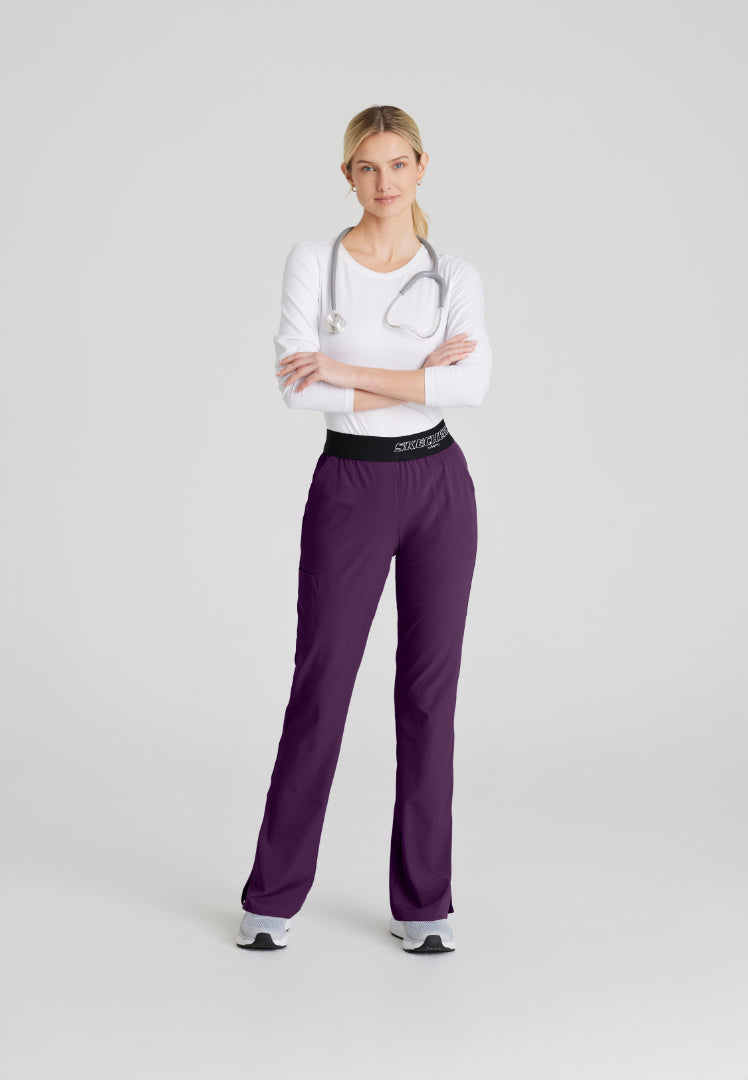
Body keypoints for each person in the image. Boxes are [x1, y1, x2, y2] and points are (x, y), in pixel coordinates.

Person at [236, 104, 492, 954]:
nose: (385, 182)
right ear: (346, 175)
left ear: (422, 166)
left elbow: (469, 389)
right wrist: (415, 377)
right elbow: (296, 389)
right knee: (322, 688)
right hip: (351, 486)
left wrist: (346, 369)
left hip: (439, 487)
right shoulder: (315, 263)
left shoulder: (455, 274)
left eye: (398, 164)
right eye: (367, 167)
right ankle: (271, 897)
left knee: (428, 699)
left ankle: (424, 906)